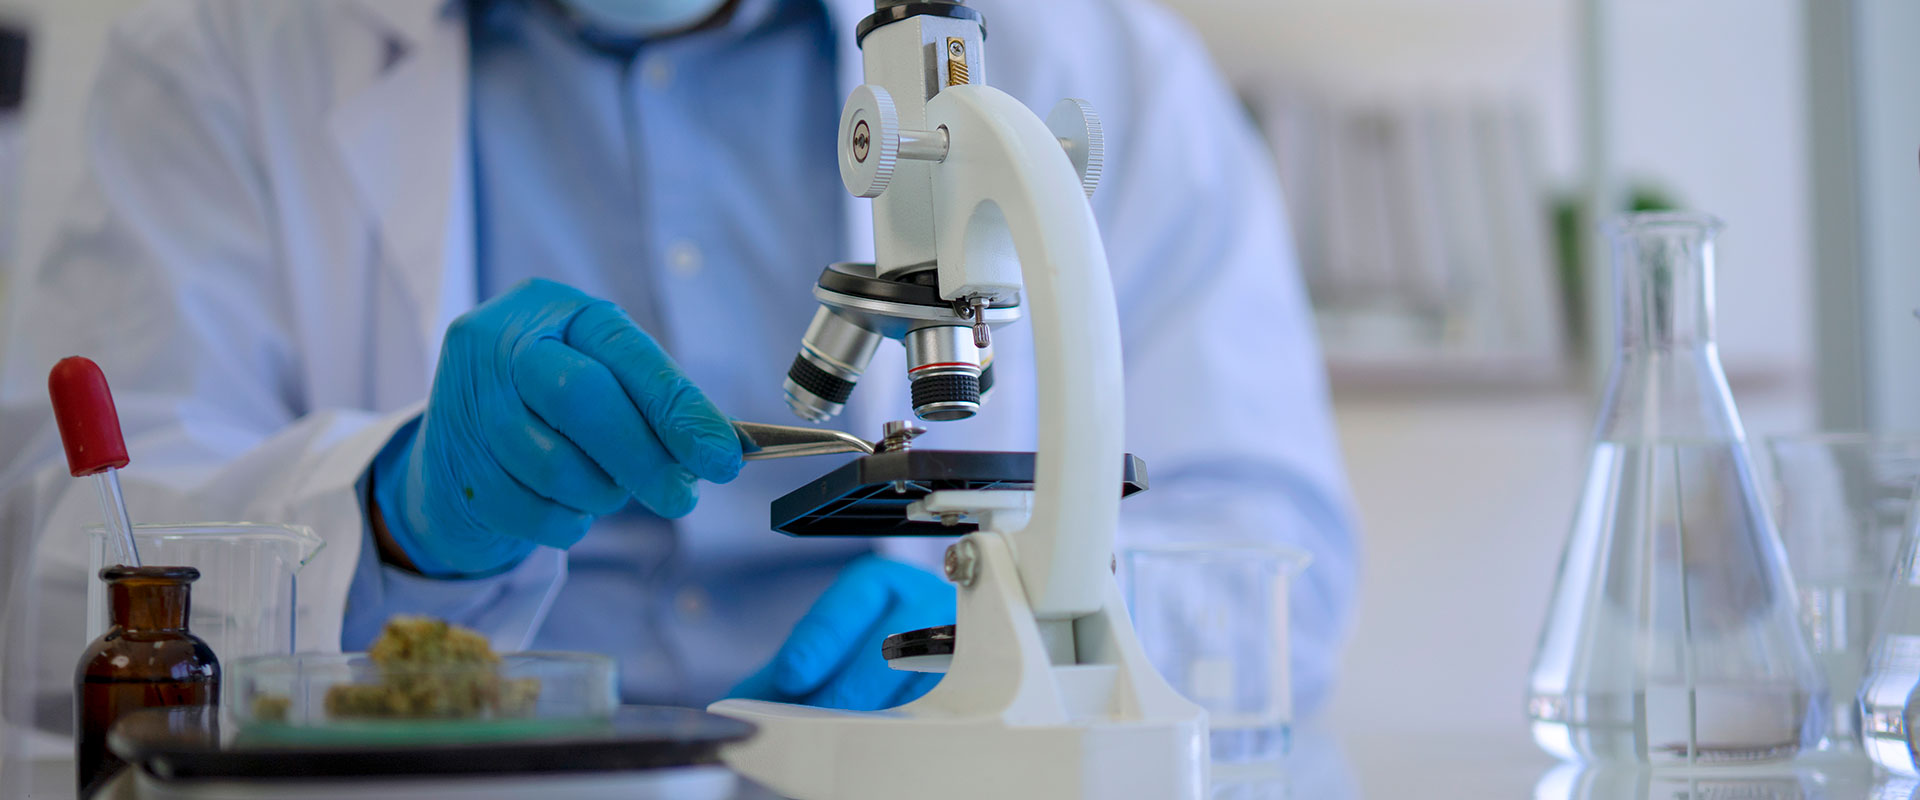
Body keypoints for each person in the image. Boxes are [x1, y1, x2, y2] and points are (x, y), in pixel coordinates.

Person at [0, 0, 1355, 718]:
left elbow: (1268, 541)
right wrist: (384, 514)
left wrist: (1022, 646)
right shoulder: (225, 68)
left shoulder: (1097, 56)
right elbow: (56, 565)